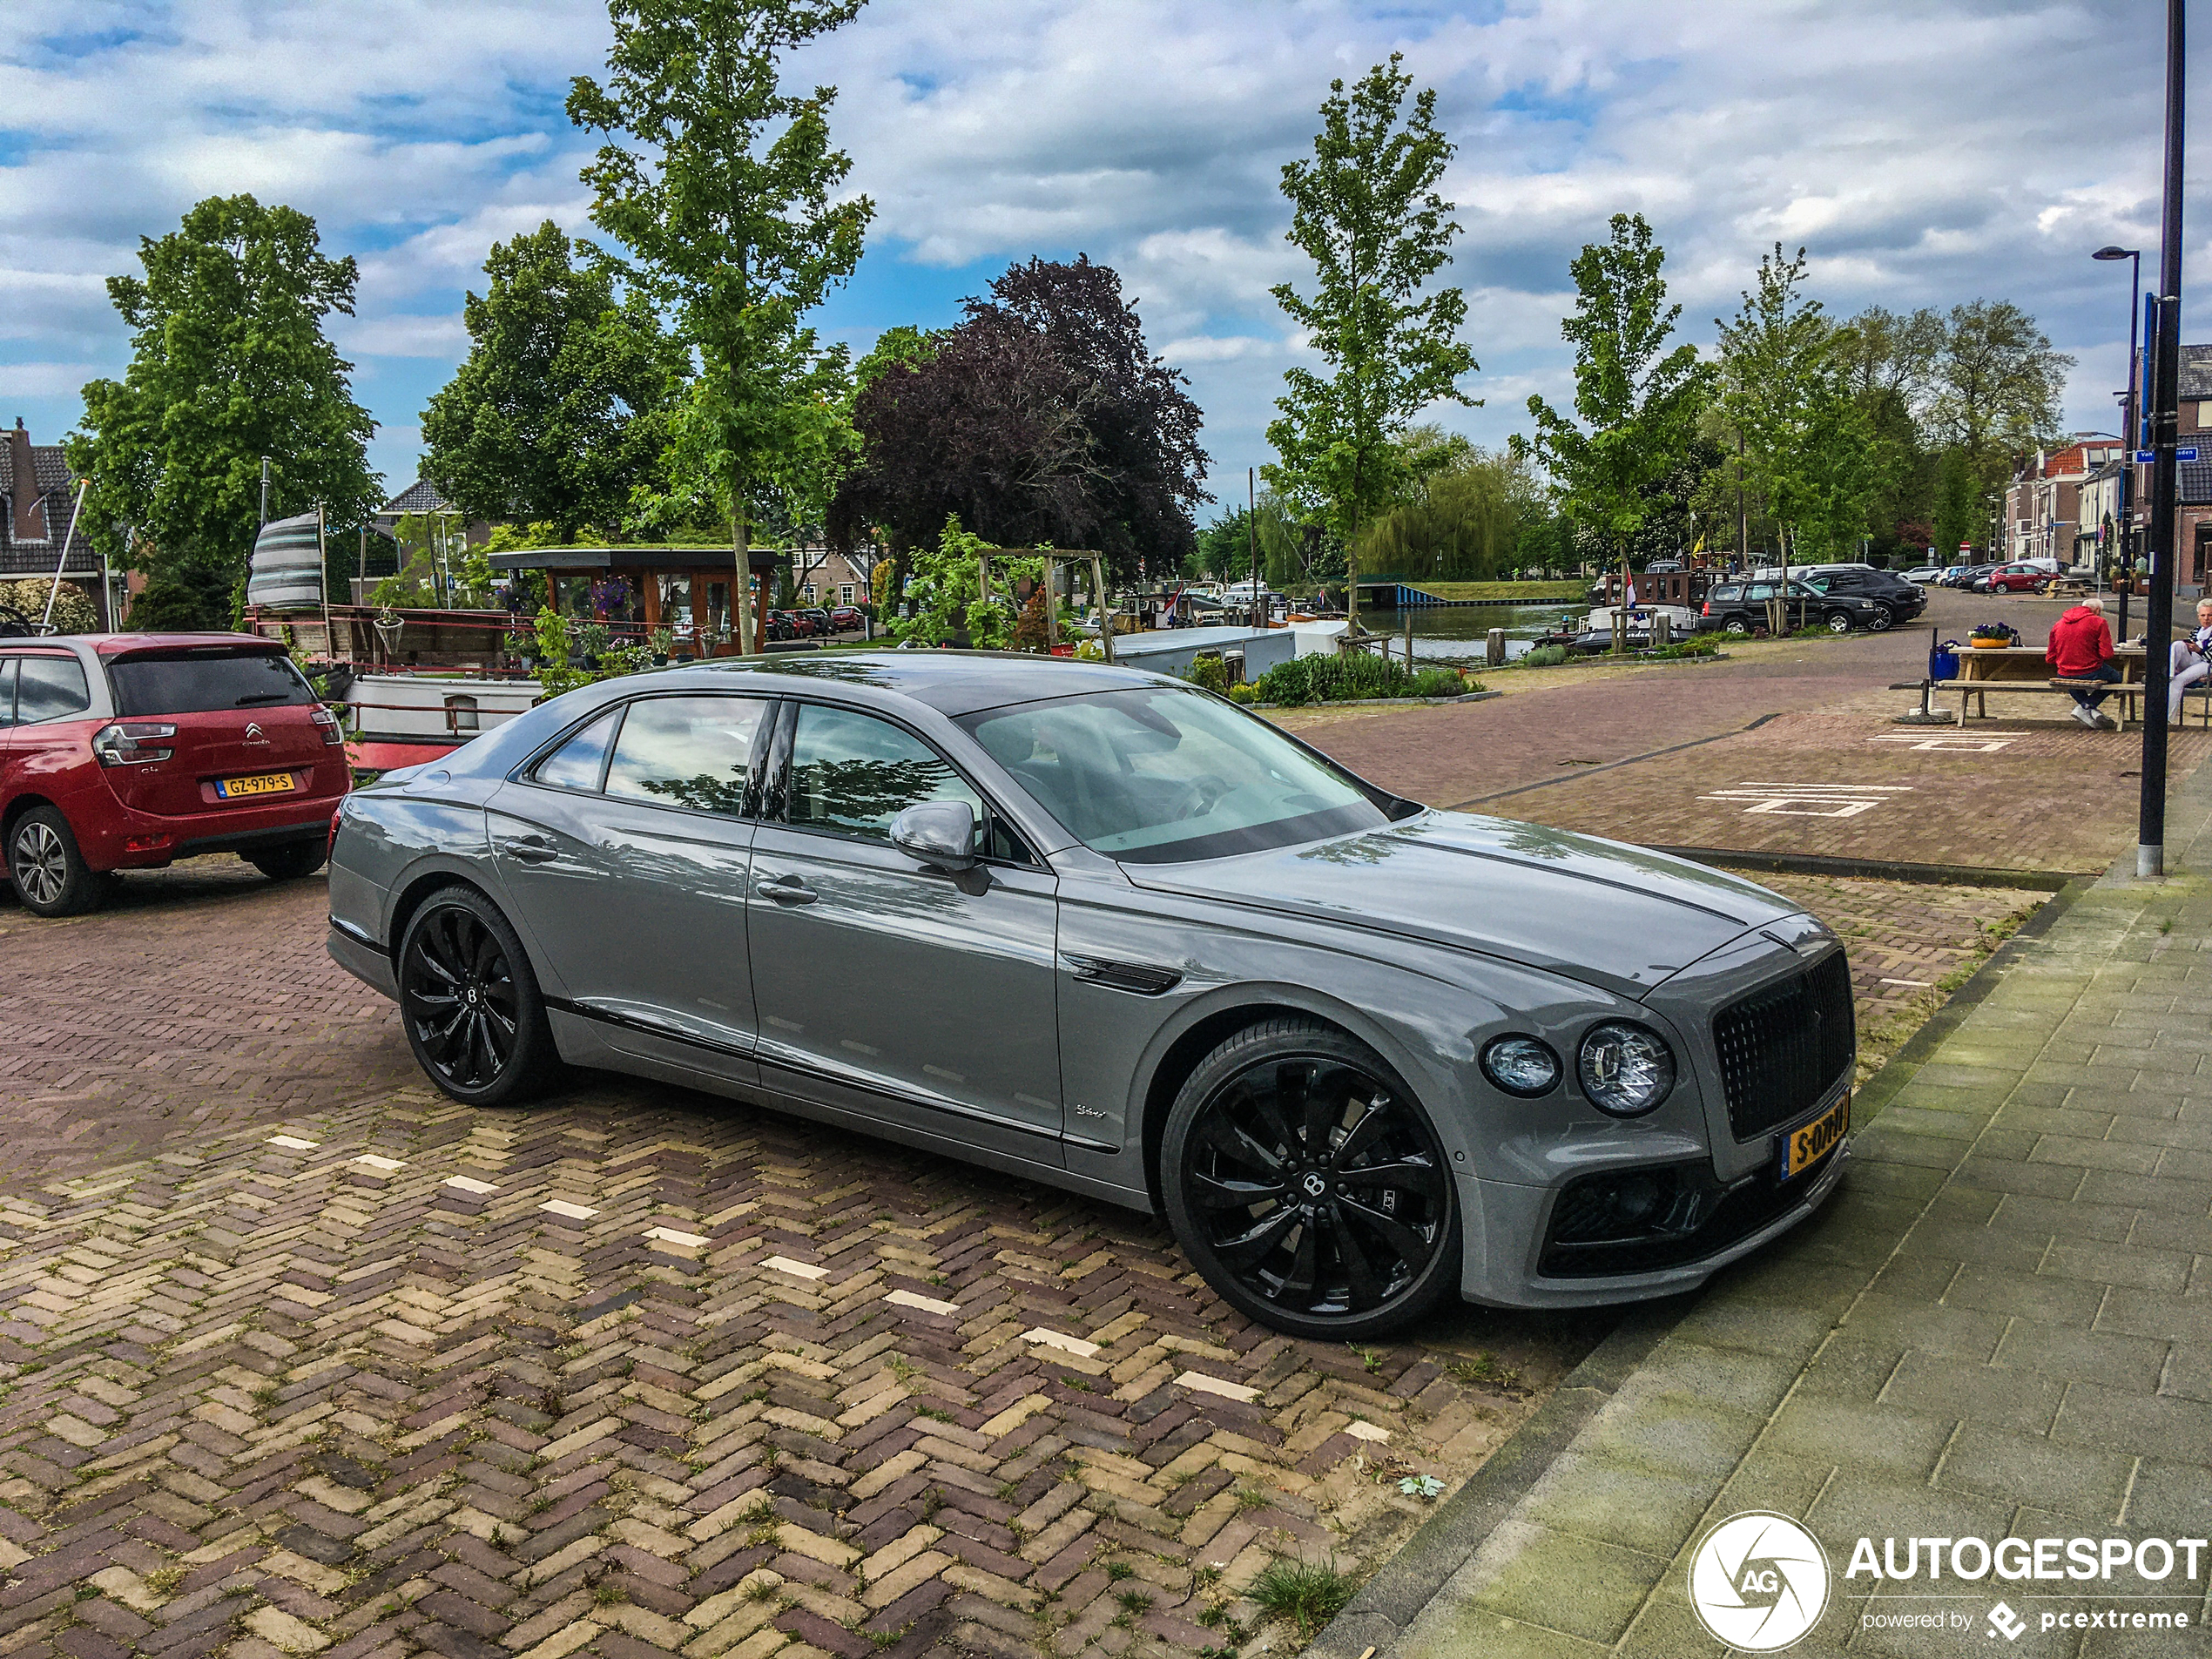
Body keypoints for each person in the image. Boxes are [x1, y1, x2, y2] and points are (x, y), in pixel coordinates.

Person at [2046, 596, 2121, 729]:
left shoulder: (2059, 624)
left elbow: (2050, 657)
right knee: (2118, 678)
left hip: (2064, 672)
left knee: (2070, 679)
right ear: (2097, 610)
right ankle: (2088, 706)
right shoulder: (2099, 622)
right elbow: (2107, 654)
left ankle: (2086, 707)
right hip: (2090, 669)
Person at [2168, 597, 2212, 724]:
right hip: (2193, 659)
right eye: (2203, 615)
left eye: (2210, 615)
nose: (2206, 618)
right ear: (2198, 616)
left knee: (2178, 682)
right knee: (2177, 644)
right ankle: (2169, 674)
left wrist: (2199, 650)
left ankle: (2168, 721)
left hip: (2207, 664)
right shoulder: (2196, 631)